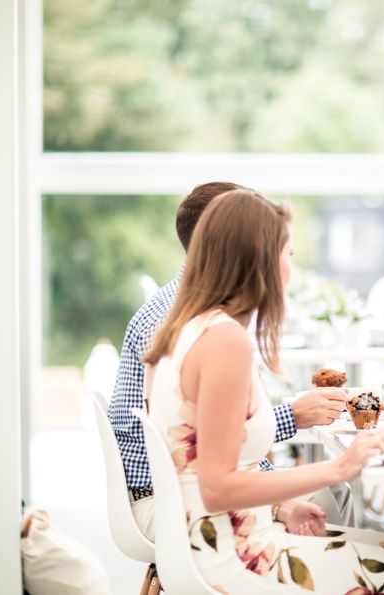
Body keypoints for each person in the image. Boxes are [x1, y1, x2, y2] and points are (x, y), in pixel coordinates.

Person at [143, 188, 384, 593]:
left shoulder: (184, 329)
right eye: (288, 254)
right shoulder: (225, 341)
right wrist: (339, 468)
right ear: (257, 261)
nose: (291, 269)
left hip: (209, 545)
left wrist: (279, 506)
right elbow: (217, 486)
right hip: (236, 557)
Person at [108, 182, 354, 541]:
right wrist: (296, 427)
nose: (288, 264)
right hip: (173, 502)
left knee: (334, 496)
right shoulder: (196, 328)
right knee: (330, 500)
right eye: (283, 251)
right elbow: (196, 463)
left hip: (194, 497)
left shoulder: (199, 317)